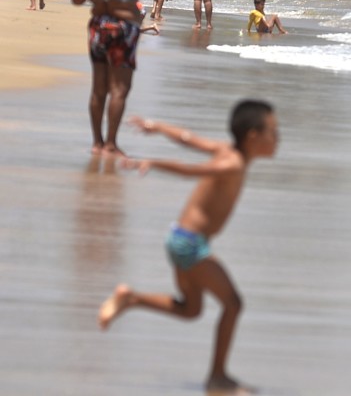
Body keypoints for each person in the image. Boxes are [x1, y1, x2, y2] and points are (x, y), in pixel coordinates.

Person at [97, 100, 279, 392]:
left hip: (181, 239)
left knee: (191, 310)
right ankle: (217, 376)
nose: (278, 138)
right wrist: (155, 163)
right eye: (274, 131)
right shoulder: (231, 163)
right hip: (190, 245)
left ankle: (131, 299)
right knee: (233, 304)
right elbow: (193, 170)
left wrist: (157, 127)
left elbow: (189, 139)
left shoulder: (228, 152)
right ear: (253, 136)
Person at [70, 0, 156, 155]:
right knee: (119, 89)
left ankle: (97, 143)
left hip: (98, 27)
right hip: (123, 29)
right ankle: (111, 143)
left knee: (98, 88)